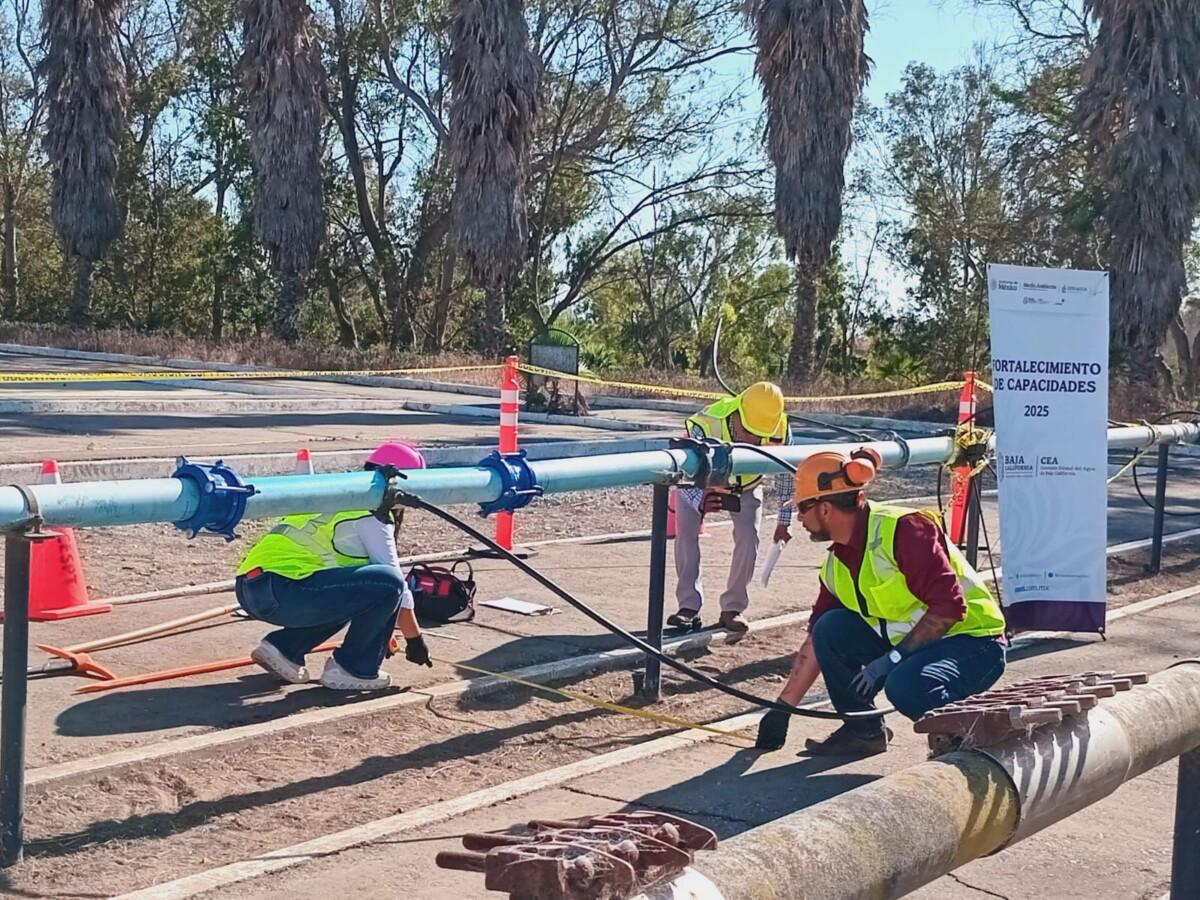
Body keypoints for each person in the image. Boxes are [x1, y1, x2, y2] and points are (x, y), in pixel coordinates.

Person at [756, 447, 1007, 755]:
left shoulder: (905, 531)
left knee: (905, 684)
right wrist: (783, 709)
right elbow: (817, 641)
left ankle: (969, 742)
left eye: (803, 508)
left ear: (825, 509)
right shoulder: (838, 564)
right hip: (917, 647)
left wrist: (893, 659)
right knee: (830, 628)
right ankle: (864, 733)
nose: (799, 518)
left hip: (973, 643)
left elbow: (949, 607)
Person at [234, 441, 434, 691]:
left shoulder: (340, 493)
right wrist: (415, 639)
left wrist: (380, 629)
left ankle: (284, 648)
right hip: (286, 591)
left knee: (357, 591)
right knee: (388, 582)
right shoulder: (373, 511)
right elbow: (396, 584)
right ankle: (355, 669)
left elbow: (360, 593)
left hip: (251, 588)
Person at [668, 381, 793, 634]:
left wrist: (784, 521)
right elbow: (684, 473)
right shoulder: (705, 425)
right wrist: (700, 499)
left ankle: (733, 608)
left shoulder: (781, 429)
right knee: (686, 535)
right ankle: (688, 607)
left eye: (762, 433)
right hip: (698, 485)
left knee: (750, 538)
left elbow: (786, 474)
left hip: (747, 487)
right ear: (738, 415)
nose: (757, 439)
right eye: (751, 431)